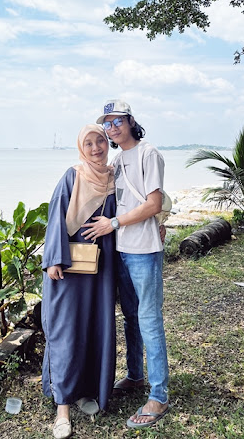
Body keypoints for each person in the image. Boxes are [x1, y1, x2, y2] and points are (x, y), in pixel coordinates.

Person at [83, 100, 170, 429]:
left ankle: (159, 396)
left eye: (118, 121)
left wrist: (114, 224)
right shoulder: (117, 160)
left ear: (131, 121)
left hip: (143, 251)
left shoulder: (149, 153)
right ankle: (135, 375)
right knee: (130, 318)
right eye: (107, 124)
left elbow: (154, 203)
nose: (112, 127)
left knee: (149, 320)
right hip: (121, 251)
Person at [41, 124, 117, 439]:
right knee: (65, 331)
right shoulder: (72, 176)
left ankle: (88, 390)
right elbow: (55, 216)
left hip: (101, 268)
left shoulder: (114, 179)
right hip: (68, 270)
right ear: (80, 147)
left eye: (100, 140)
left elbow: (130, 213)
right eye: (89, 142)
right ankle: (62, 409)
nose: (96, 147)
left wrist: (158, 224)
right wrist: (54, 259)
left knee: (95, 328)